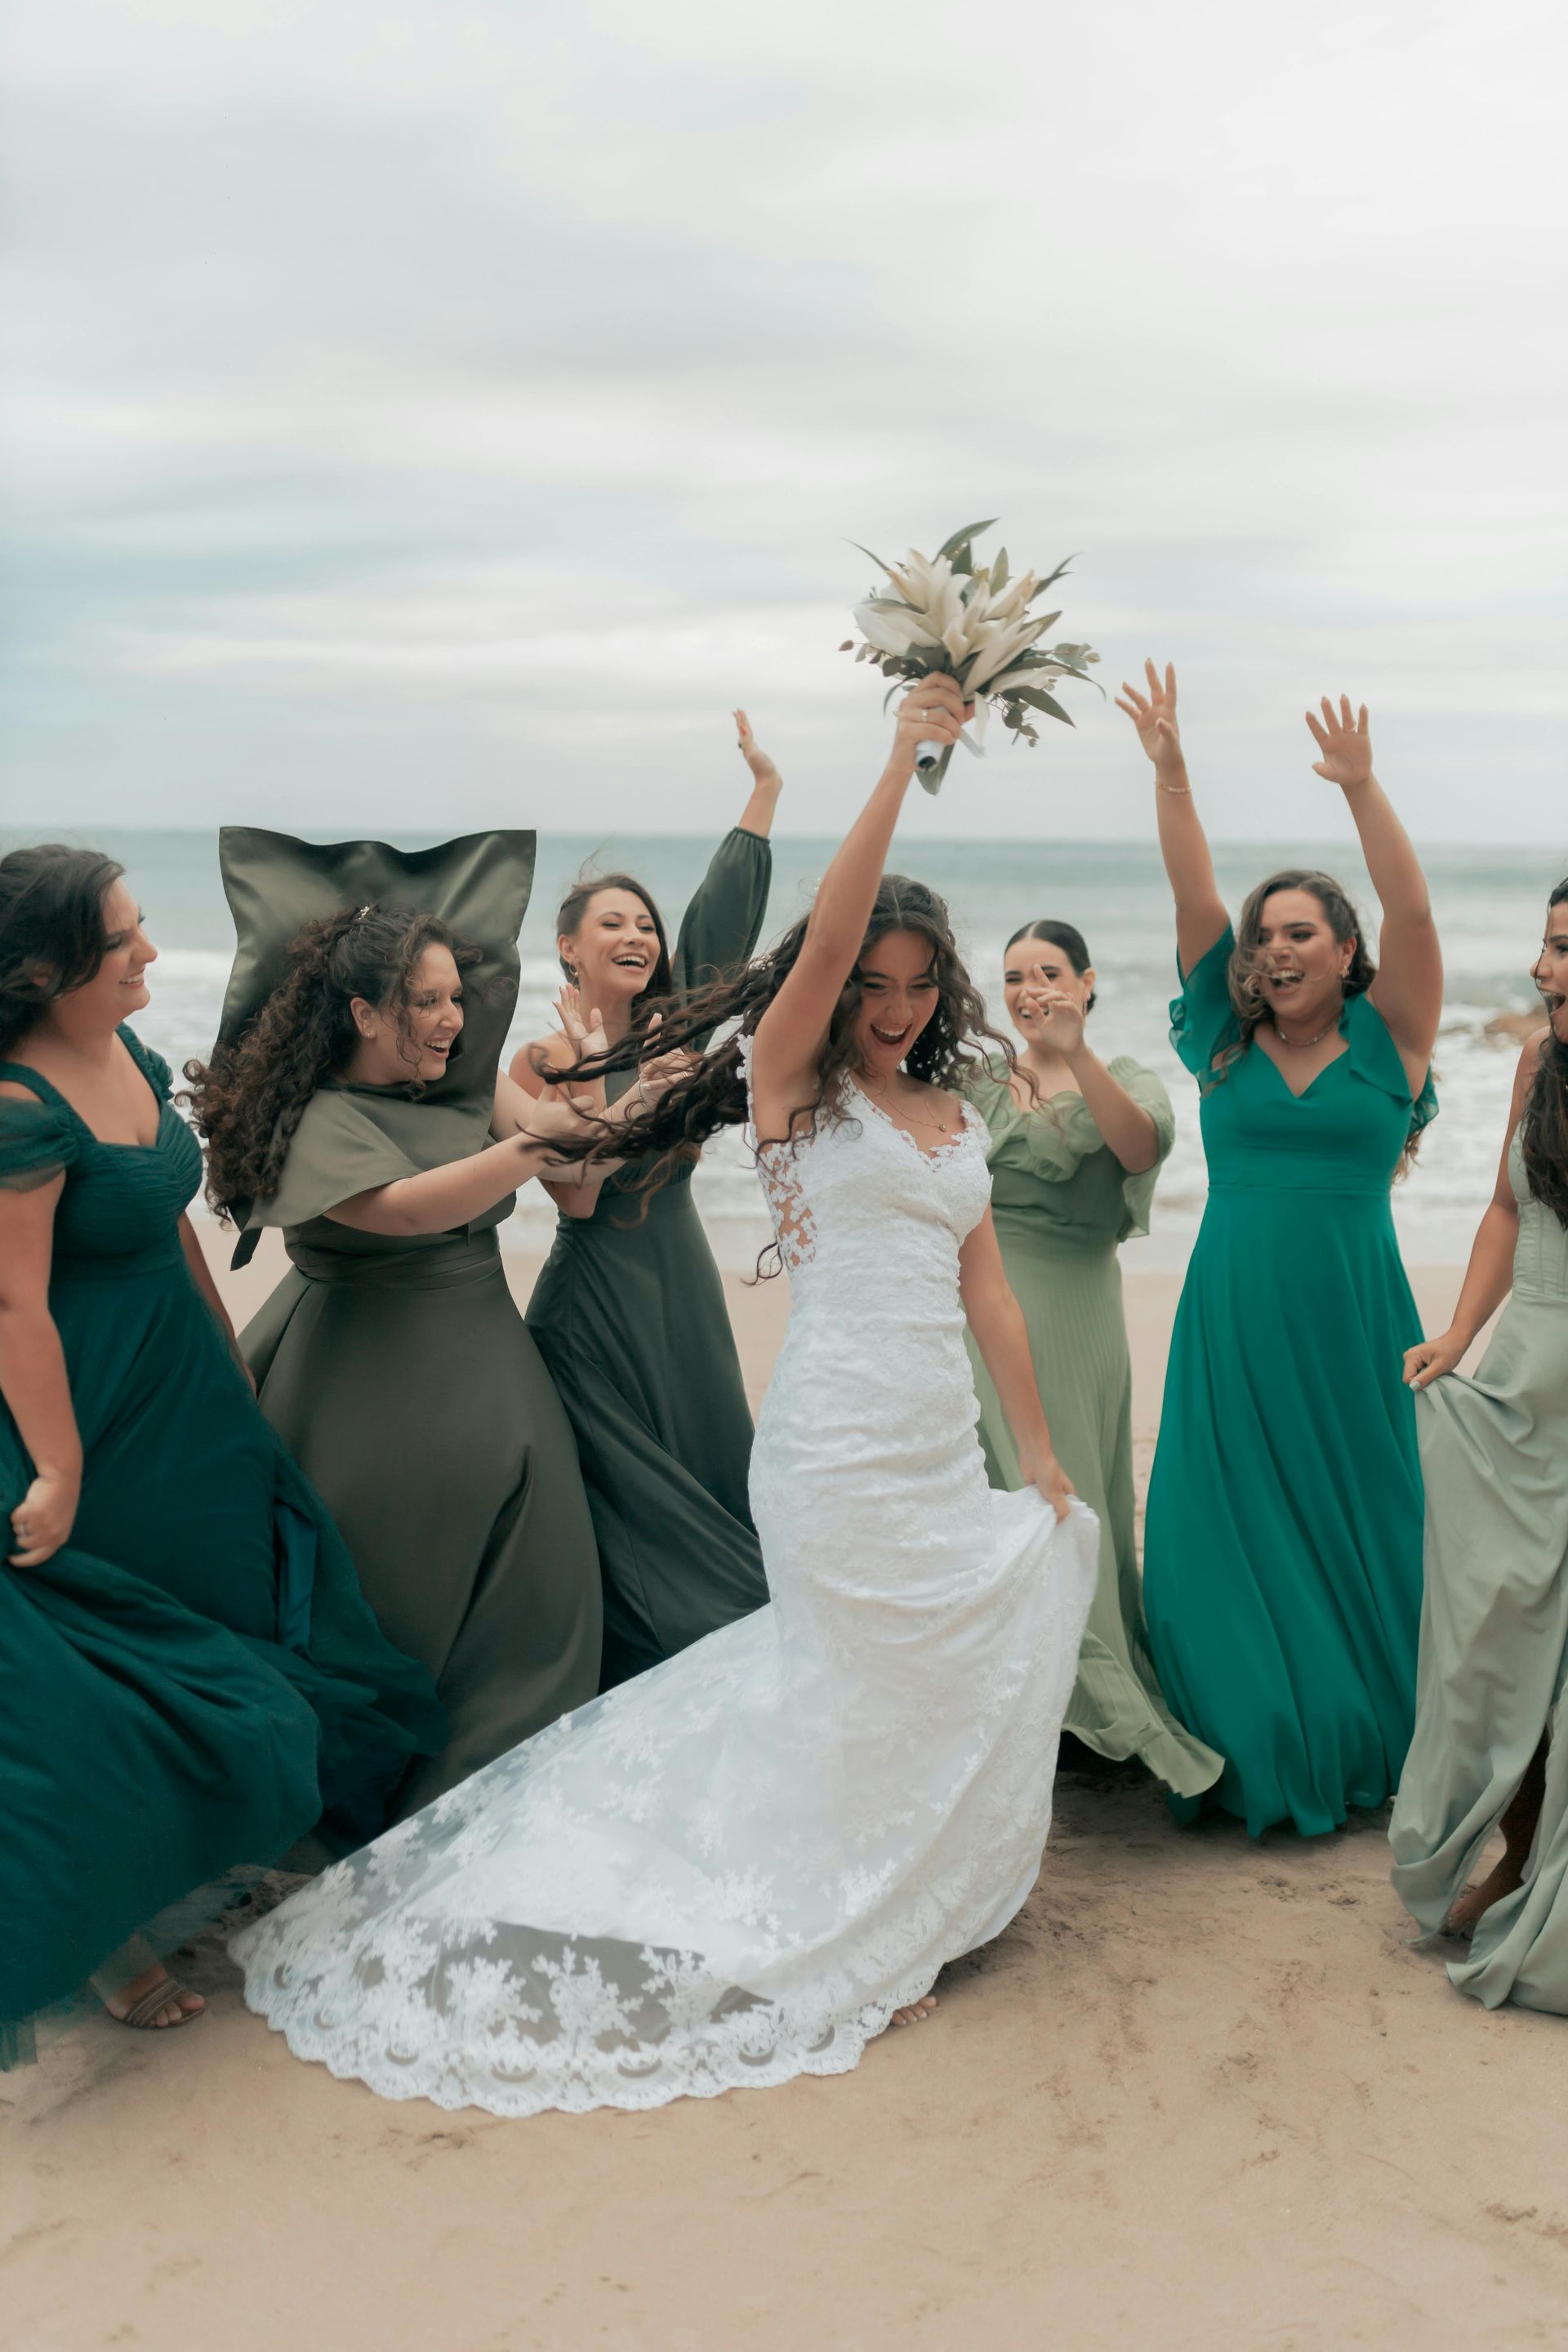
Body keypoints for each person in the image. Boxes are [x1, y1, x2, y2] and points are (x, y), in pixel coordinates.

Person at [232, 674, 1100, 2118]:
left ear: (943, 994)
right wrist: (900, 757)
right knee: (840, 1664)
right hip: (828, 1439)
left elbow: (990, 1293)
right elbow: (821, 931)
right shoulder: (787, 1085)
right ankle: (836, 1896)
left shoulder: (956, 1115)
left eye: (914, 985)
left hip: (935, 1439)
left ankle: (915, 1888)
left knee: (931, 1656)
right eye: (868, 983)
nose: (889, 1006)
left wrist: (1046, 1457)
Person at [0, 845, 442, 2065]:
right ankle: (111, 1939)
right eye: (126, 938)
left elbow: (172, 1222)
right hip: (81, 1405)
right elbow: (12, 1307)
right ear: (45, 970)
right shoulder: (17, 1105)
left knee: (234, 1604)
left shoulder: (129, 1055)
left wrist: (229, 1353)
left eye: (147, 929)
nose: (150, 950)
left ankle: (201, 1859)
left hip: (182, 1386)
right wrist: (59, 1469)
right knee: (118, 1680)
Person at [188, 830, 606, 1822]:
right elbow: (401, 1207)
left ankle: (497, 1805)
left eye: (460, 996)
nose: (455, 1019)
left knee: (540, 1606)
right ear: (365, 1011)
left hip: (494, 1380)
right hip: (364, 1393)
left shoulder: (470, 1087)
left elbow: (580, 1179)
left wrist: (587, 1092)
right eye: (429, 1001)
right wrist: (537, 1143)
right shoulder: (315, 1116)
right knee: (389, 1607)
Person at [1120, 664, 1441, 1837]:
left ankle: (1382, 1738)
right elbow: (1191, 889)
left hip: (1359, 1315)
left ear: (1345, 947)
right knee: (1224, 1529)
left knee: (1370, 1521)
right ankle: (1253, 1741)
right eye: (1268, 936)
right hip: (1237, 1315)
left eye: (1302, 931)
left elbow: (1415, 916)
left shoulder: (1393, 1035)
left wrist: (1361, 790)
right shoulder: (1220, 1035)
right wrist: (1171, 769)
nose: (1277, 947)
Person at [511, 715, 780, 1686]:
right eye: (612, 923)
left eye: (645, 923)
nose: (638, 935)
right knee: (626, 1507)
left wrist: (761, 796)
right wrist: (631, 1084)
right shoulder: (539, 1059)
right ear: (567, 947)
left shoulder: (677, 1025)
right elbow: (576, 1194)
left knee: (712, 1470)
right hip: (597, 1301)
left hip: (684, 1290)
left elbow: (720, 930)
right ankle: (656, 1671)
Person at [964, 920, 1220, 1799]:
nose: (1030, 990)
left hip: (1077, 1311)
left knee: (1071, 1495)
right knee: (996, 1493)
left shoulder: (1130, 1077)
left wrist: (1076, 1056)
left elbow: (1140, 1147)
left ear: (1087, 980)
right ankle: (1014, 1705)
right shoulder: (975, 1079)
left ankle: (1093, 1716)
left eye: (1047, 973)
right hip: (980, 1307)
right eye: (1013, 977)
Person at [1389, 880, 1568, 2011]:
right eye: (1551, 946)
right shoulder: (1541, 1064)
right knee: (1499, 1632)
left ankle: (1533, 1874)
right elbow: (1508, 1208)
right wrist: (1459, 1332)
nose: (1550, 972)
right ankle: (1507, 1843)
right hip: (1526, 1378)